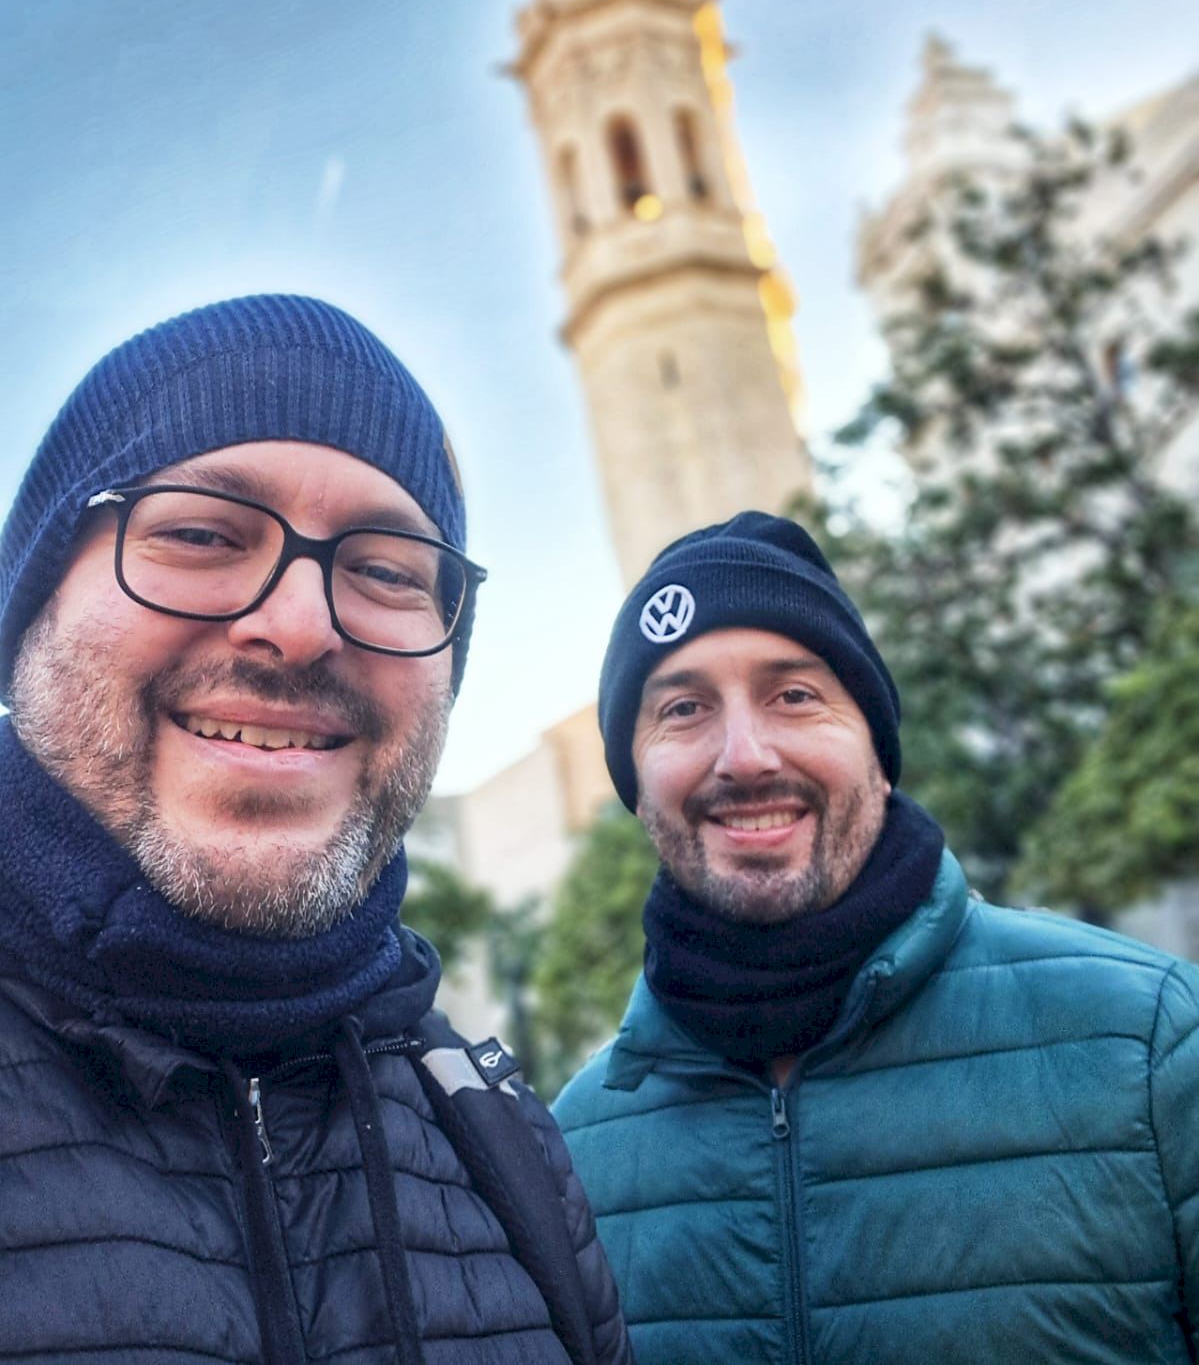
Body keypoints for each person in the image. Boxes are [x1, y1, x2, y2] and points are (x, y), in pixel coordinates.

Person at [0, 292, 630, 1365]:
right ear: (30, 611)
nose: (298, 625)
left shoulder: (505, 1141)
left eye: (385, 570)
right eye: (201, 532)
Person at [554, 511, 1199, 1365]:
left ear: (877, 751)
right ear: (635, 784)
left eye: (793, 694)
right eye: (682, 708)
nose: (743, 755)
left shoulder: (1150, 1043)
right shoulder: (564, 1154)